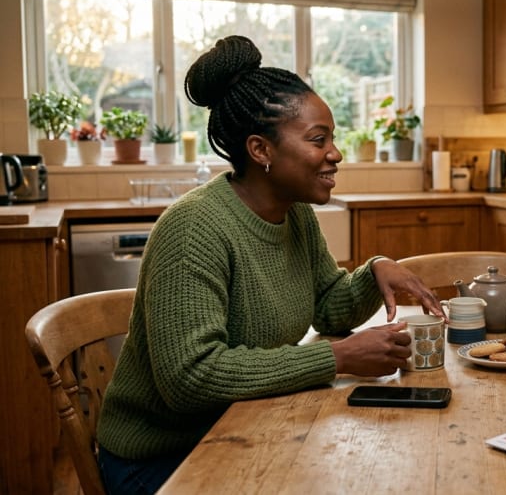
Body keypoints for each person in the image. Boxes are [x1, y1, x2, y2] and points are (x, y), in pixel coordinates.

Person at [96, 35, 444, 494]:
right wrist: (337, 357)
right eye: (318, 140)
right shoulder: (194, 228)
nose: (336, 153)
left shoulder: (293, 212)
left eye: (332, 139)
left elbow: (328, 307)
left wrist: (373, 270)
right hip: (164, 458)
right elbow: (190, 377)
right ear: (261, 150)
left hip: (247, 425)